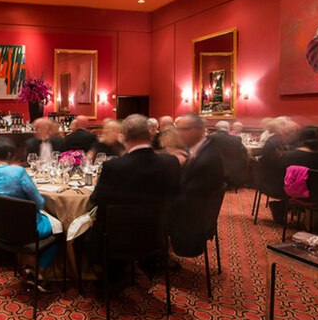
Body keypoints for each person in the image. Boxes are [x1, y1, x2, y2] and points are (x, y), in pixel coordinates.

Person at [86, 114, 181, 265]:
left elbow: (96, 199)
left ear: (123, 137)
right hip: (156, 232)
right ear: (150, 134)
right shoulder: (171, 162)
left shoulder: (114, 167)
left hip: (117, 237)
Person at [0, 137, 62, 271]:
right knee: (61, 229)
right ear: (10, 154)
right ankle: (39, 271)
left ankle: (26, 263)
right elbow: (38, 203)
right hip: (29, 231)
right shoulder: (18, 172)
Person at [171, 113, 225, 257]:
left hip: (192, 220)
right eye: (179, 129)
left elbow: (190, 200)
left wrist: (163, 201)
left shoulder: (206, 159)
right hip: (197, 212)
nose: (180, 134)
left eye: (185, 130)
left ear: (201, 130)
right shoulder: (203, 149)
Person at [207, 121, 248, 188]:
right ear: (228, 128)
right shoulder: (236, 139)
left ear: (217, 129)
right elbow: (244, 152)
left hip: (215, 166)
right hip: (233, 166)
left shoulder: (210, 137)